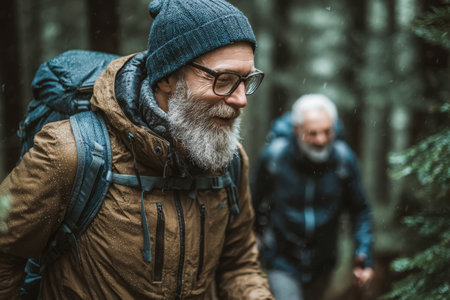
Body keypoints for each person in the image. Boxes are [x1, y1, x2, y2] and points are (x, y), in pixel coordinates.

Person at [0, 0, 274, 299]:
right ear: (168, 77)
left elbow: (238, 266)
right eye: (223, 80)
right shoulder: (70, 152)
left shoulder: (230, 162)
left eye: (246, 81)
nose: (240, 100)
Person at [252, 94, 374, 300]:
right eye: (313, 133)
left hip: (322, 264)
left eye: (327, 132)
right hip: (281, 261)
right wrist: (252, 239)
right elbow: (252, 203)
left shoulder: (343, 160)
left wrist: (363, 254)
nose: (321, 140)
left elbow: (359, 210)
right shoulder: (275, 157)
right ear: (296, 130)